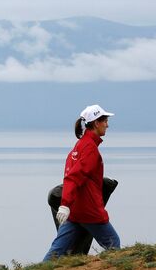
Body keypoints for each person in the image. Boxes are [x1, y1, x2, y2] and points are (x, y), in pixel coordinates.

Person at [43, 105, 120, 261]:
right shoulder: (90, 148)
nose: (107, 124)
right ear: (96, 123)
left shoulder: (79, 146)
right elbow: (73, 177)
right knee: (114, 244)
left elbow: (70, 175)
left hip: (75, 210)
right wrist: (64, 205)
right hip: (89, 211)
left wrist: (67, 206)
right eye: (105, 120)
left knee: (57, 250)